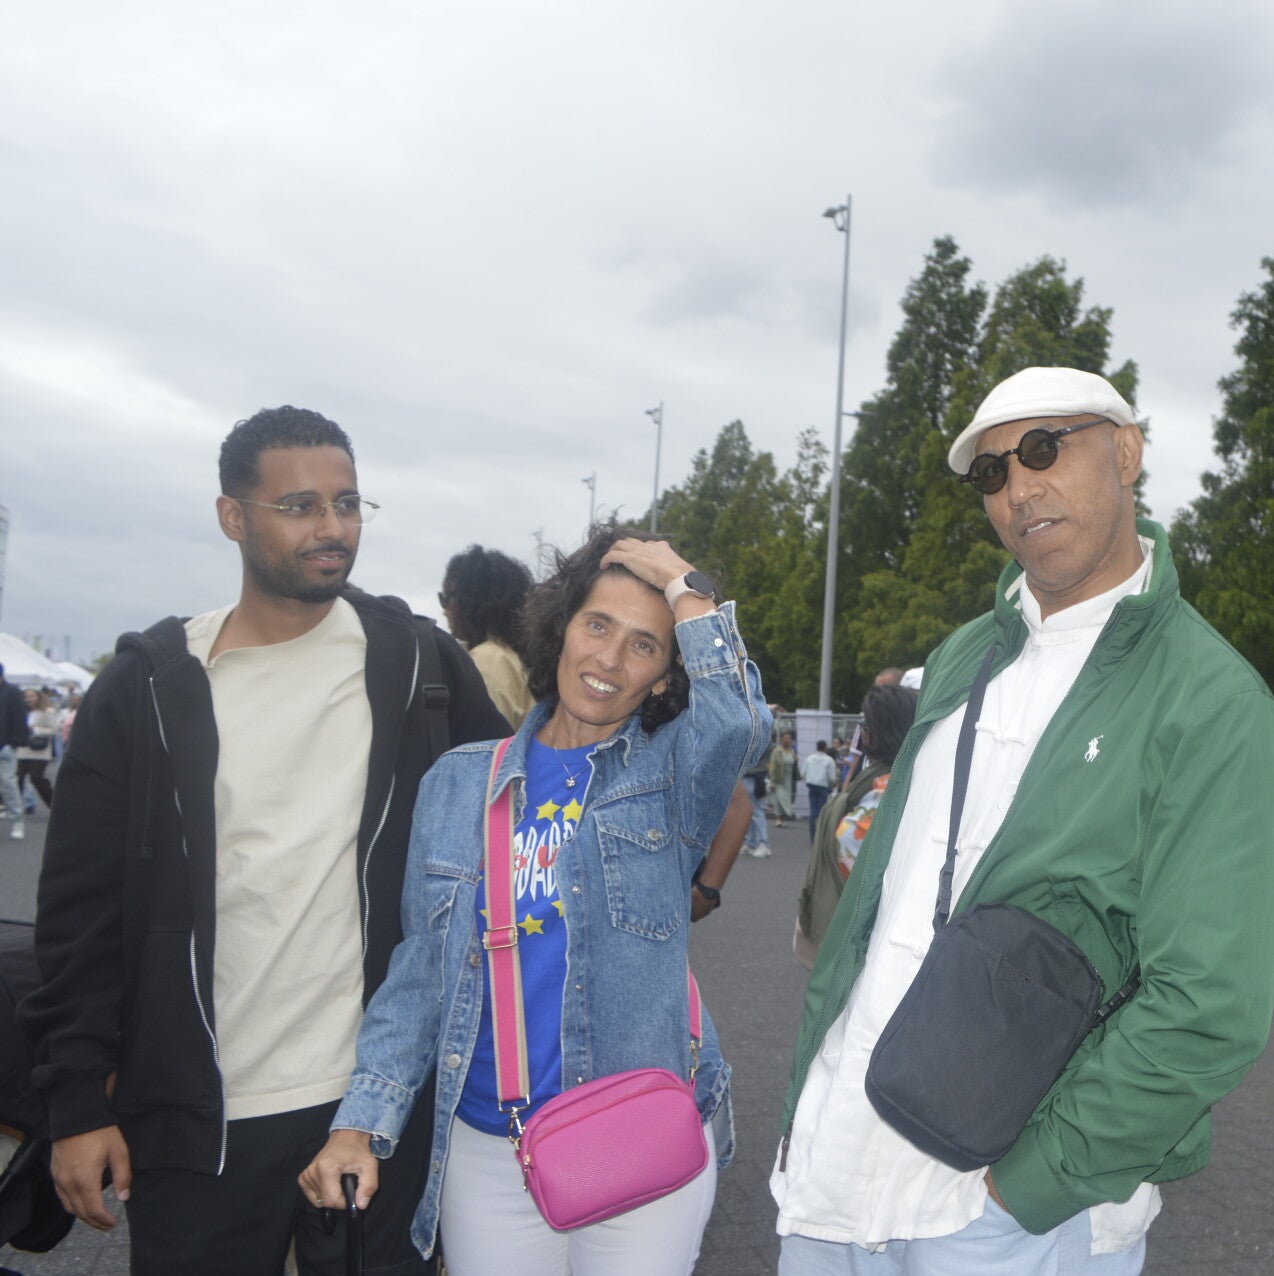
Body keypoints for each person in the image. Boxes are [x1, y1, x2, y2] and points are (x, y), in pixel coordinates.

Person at [772, 366, 1274, 1273]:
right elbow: (877, 911)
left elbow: (1208, 1005)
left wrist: (1024, 1192)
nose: (1018, 489)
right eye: (992, 472)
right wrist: (806, 1100)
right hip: (837, 1167)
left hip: (1008, 1214)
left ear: (1125, 452)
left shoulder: (1210, 697)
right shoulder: (963, 655)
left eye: (1044, 451)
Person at [19, 406, 510, 1276]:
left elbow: (513, 822)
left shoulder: (420, 667)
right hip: (197, 1115)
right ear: (232, 517)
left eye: (348, 503)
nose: (332, 527)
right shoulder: (149, 687)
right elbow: (79, 913)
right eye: (299, 506)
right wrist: (76, 1102)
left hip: (374, 1107)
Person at [300, 525, 771, 1275]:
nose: (610, 659)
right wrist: (362, 1121)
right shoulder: (458, 782)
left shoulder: (668, 780)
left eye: (644, 645)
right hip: (490, 1149)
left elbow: (740, 724)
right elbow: (419, 974)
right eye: (597, 625)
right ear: (560, 629)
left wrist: (684, 584)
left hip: (635, 1134)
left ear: (664, 677)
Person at [793, 683, 918, 970]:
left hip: (862, 941)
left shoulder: (878, 796)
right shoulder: (916, 781)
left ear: (868, 735)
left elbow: (847, 849)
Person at [442, 544, 536, 729]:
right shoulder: (518, 657)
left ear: (471, 600)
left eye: (446, 598)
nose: (444, 611)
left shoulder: (488, 660)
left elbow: (483, 738)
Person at [14, 690, 59, 812]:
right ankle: (15, 806)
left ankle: (54, 805)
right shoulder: (23, 712)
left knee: (37, 778)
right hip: (23, 750)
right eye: (26, 696)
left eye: (31, 696)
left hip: (39, 751)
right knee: (18, 778)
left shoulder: (47, 711)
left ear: (38, 697)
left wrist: (35, 730)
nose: (28, 699)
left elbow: (54, 729)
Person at [0, 669, 29, 840]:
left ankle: (17, 820)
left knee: (8, 784)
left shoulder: (12, 692)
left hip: (4, 745)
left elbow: (19, 717)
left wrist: (14, 741)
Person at [798, 741, 836, 840]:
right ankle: (820, 837)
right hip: (823, 786)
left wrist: (807, 781)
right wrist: (830, 786)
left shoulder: (809, 758)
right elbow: (832, 778)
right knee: (822, 812)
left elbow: (803, 773)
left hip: (811, 785)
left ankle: (813, 837)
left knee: (813, 811)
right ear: (825, 748)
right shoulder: (829, 760)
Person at [768, 730, 798, 829]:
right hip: (779, 778)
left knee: (786, 798)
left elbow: (794, 762)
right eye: (786, 738)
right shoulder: (777, 751)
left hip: (788, 778)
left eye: (789, 738)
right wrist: (772, 781)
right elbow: (773, 766)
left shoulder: (791, 751)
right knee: (779, 798)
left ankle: (782, 819)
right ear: (781, 739)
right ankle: (778, 819)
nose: (788, 740)